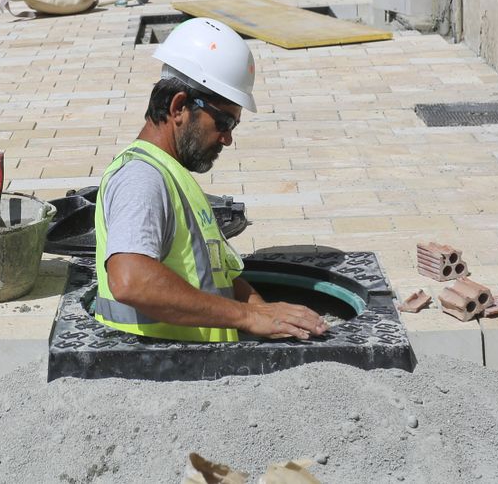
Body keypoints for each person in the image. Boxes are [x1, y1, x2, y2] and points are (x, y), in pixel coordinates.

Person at [93, 18, 329, 343]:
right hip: (158, 372)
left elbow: (214, 278)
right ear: (179, 107)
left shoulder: (171, 175)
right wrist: (247, 316)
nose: (227, 138)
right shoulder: (142, 178)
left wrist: (262, 310)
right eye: (224, 121)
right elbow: (131, 279)